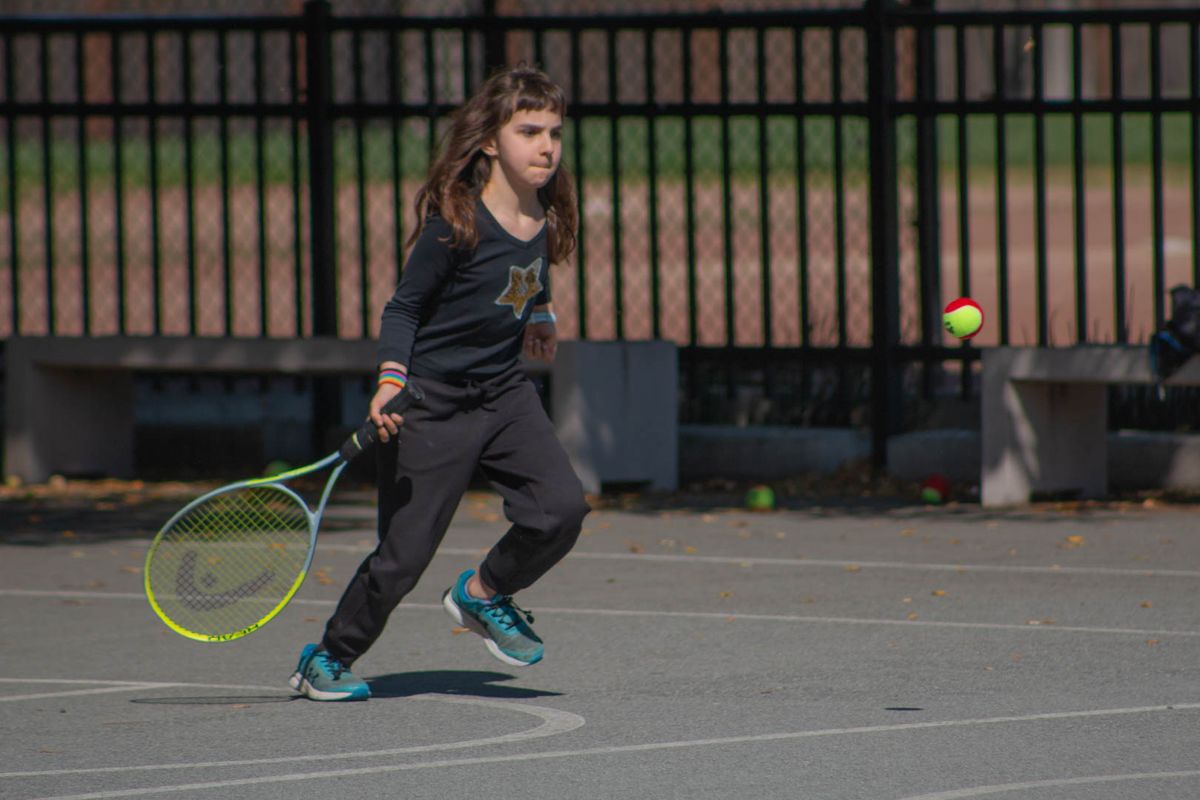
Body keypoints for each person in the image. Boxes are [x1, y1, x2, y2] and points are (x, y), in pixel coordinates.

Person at [289, 65, 590, 701]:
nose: (546, 147)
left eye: (554, 133)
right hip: (431, 404)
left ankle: (482, 593)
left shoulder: (548, 205)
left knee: (560, 509)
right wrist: (389, 381)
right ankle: (328, 657)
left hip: (504, 393)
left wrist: (539, 313)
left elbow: (530, 266)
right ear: (489, 143)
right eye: (529, 131)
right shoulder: (455, 222)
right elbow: (403, 309)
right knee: (401, 559)